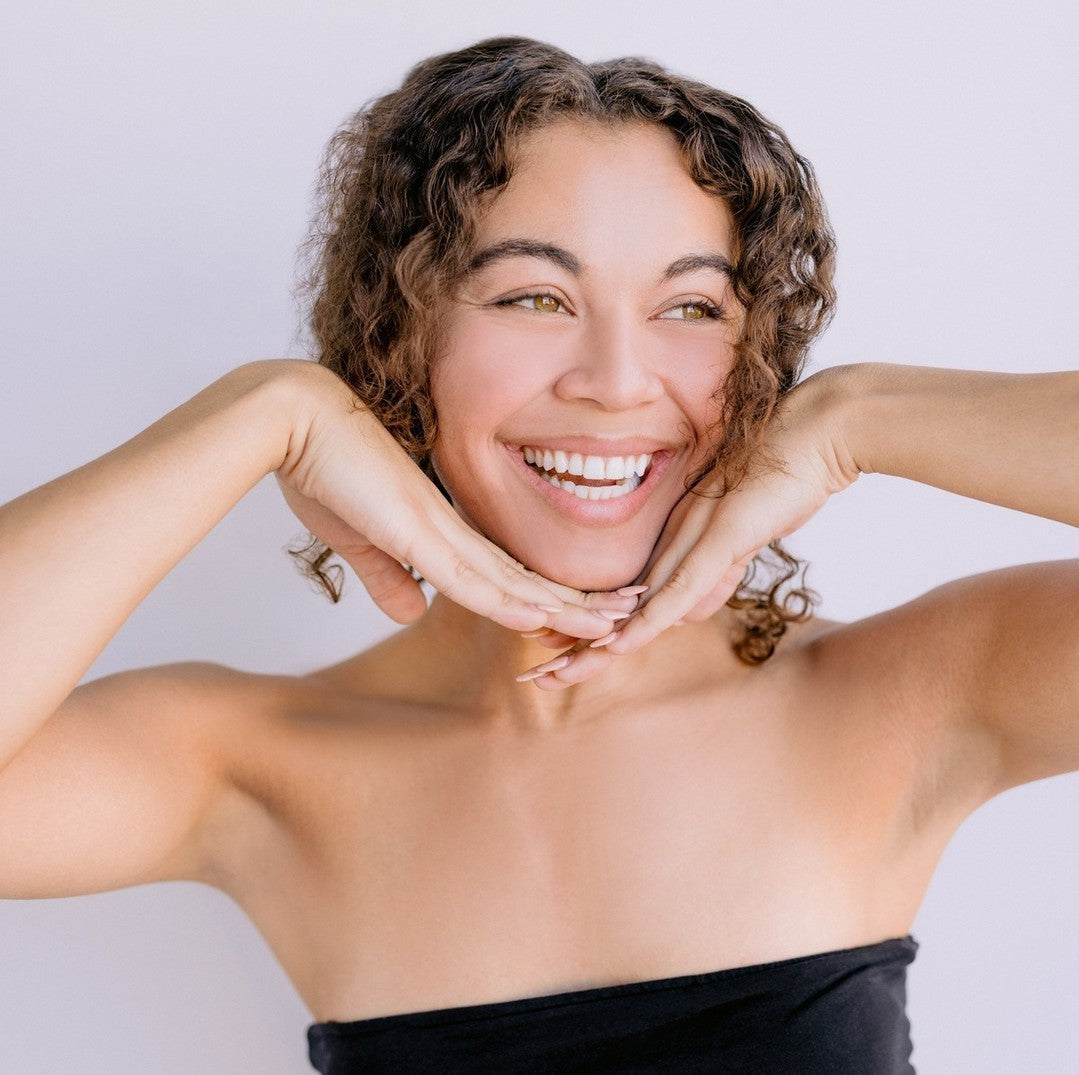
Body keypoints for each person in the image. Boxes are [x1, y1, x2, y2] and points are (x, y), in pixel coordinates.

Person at [1, 35, 1075, 1074]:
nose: (615, 380)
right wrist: (261, 412)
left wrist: (859, 413)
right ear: (400, 337)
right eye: (533, 297)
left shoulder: (905, 695)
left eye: (690, 306)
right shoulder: (258, 768)